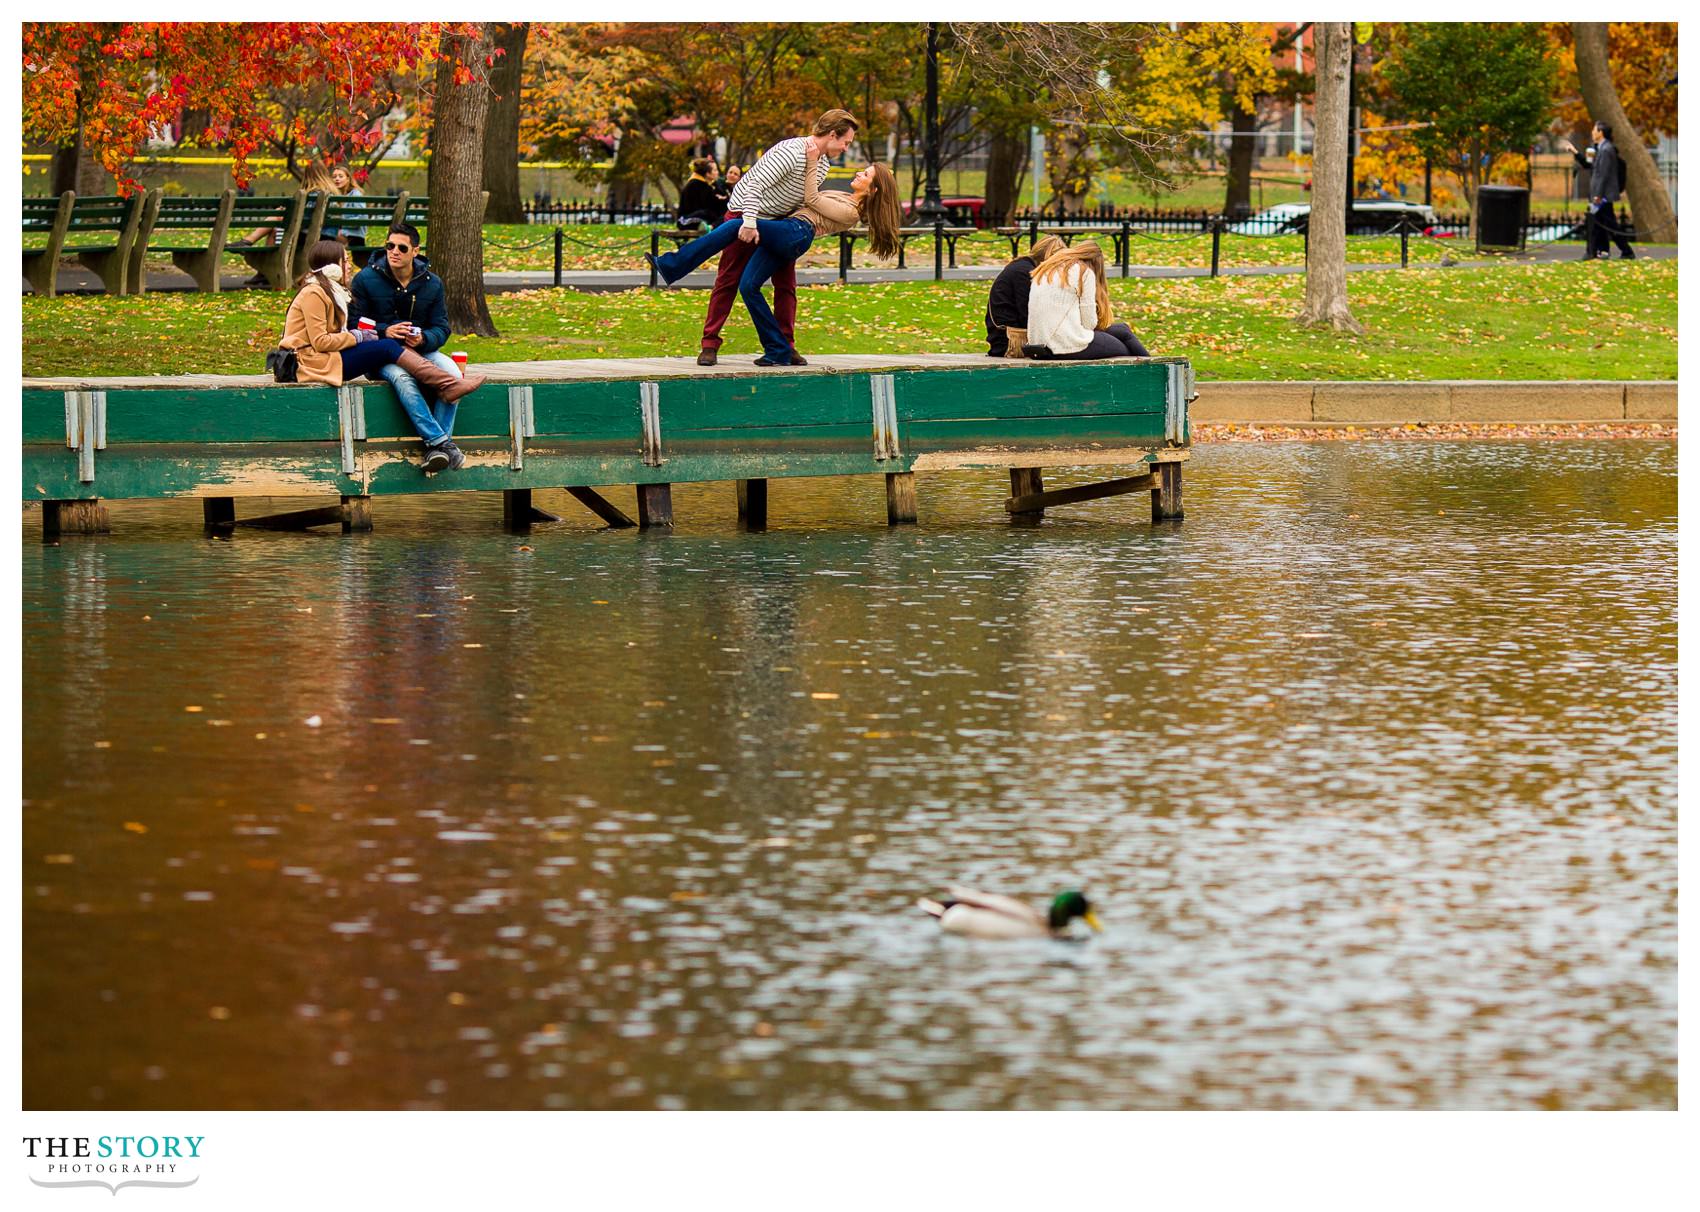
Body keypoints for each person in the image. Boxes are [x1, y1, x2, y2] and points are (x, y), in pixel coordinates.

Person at [651, 152, 901, 366]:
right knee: (748, 286)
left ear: (873, 190)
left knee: (737, 226)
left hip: (795, 233)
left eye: (866, 175)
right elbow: (804, 198)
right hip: (785, 231)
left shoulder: (851, 212)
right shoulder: (843, 196)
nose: (859, 173)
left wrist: (812, 160)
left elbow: (811, 198)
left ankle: (672, 265)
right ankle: (777, 350)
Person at [280, 240, 479, 472]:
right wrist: (359, 337)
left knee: (386, 347)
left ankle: (440, 438)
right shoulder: (314, 293)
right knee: (385, 346)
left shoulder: (329, 290)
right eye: (344, 261)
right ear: (331, 267)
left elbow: (440, 326)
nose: (349, 266)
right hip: (310, 363)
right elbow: (321, 342)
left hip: (327, 358)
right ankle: (446, 388)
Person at [690, 108, 860, 366]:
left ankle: (786, 345)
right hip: (745, 215)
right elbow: (754, 183)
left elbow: (805, 199)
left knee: (786, 284)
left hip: (777, 225)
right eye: (846, 142)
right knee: (729, 279)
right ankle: (709, 344)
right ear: (833, 134)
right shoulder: (791, 150)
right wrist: (748, 221)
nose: (847, 148)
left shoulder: (822, 163)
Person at [348, 221, 486, 472]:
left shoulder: (432, 283)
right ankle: (441, 443)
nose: (394, 252)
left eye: (402, 247)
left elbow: (442, 328)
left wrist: (423, 339)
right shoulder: (365, 279)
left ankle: (436, 451)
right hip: (381, 356)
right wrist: (384, 331)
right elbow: (353, 325)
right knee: (403, 378)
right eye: (390, 246)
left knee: (454, 376)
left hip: (422, 351)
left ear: (415, 251)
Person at [1022, 242, 1150, 361]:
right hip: (1063, 344)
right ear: (1095, 263)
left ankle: (1153, 366)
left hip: (1039, 343)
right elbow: (1089, 324)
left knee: (1122, 329)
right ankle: (1153, 370)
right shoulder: (1084, 271)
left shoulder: (1047, 268)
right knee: (1125, 349)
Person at [984, 235, 1067, 356]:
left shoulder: (1021, 266)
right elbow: (1029, 315)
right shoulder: (1024, 273)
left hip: (1003, 337)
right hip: (1009, 342)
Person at [1562, 122, 1634, 260]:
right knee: (1598, 224)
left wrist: (1598, 196)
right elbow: (1591, 166)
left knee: (1607, 224)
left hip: (1603, 195)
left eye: (1594, 130)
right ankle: (1597, 252)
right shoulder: (1600, 148)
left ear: (1600, 132)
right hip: (1600, 194)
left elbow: (1603, 174)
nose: (1592, 132)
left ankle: (1622, 251)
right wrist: (1575, 152)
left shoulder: (1606, 150)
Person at [326, 164, 368, 249]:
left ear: (348, 179)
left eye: (341, 176)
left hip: (354, 234)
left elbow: (361, 218)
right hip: (340, 233)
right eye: (334, 177)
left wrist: (341, 224)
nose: (337, 179)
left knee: (326, 237)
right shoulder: (332, 196)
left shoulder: (355, 194)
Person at [677, 158, 724, 230]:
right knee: (707, 213)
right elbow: (704, 208)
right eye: (715, 170)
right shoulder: (695, 185)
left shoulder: (709, 185)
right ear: (707, 173)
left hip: (698, 217)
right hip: (685, 221)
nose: (717, 173)